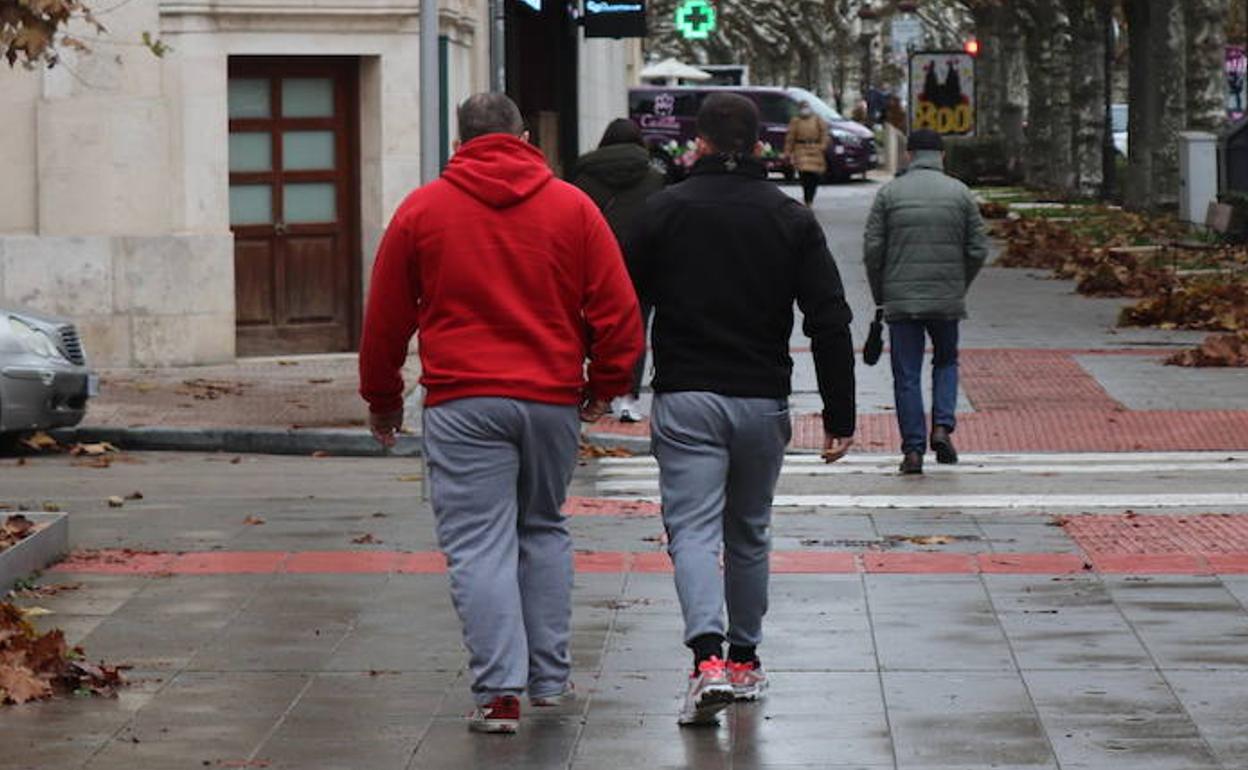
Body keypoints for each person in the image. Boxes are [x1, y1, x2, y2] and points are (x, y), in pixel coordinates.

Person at [358, 93, 643, 734]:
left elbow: (384, 320)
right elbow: (618, 309)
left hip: (463, 399)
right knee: (542, 527)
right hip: (549, 398)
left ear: (459, 141)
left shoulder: (422, 210)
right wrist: (606, 384)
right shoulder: (574, 207)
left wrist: (381, 401)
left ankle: (498, 694)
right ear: (522, 138)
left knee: (479, 546)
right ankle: (548, 677)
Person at [627, 93, 857, 727]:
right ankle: (746, 660)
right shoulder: (787, 218)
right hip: (761, 398)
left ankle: (706, 662)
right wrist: (840, 414)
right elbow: (829, 317)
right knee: (749, 530)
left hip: (688, 395)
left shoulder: (663, 212)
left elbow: (627, 306)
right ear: (759, 143)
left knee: (693, 531)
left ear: (697, 141)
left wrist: (615, 380)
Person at [863, 129, 989, 475]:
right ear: (942, 156)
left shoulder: (889, 194)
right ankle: (942, 427)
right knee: (946, 362)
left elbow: (873, 252)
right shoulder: (960, 194)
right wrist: (958, 283)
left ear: (909, 155)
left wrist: (882, 295)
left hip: (901, 302)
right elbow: (978, 248)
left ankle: (913, 449)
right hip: (946, 299)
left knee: (906, 374)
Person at [572, 118, 665, 423]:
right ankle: (628, 396)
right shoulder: (655, 178)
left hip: (593, 262)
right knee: (635, 327)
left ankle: (597, 390)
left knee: (590, 326)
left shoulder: (582, 176)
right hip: (644, 264)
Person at [783, 100, 829, 207]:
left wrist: (822, 146)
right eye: (803, 107)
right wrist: (787, 152)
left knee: (814, 176)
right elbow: (790, 138)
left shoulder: (817, 119)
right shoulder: (796, 121)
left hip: (815, 149)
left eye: (807, 107)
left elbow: (824, 133)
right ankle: (807, 199)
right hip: (801, 150)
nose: (805, 109)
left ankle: (810, 197)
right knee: (805, 175)